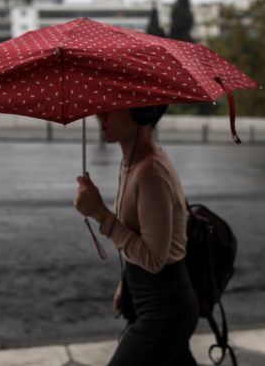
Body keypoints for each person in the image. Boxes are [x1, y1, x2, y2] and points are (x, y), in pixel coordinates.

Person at [74, 105, 199, 366]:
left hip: (165, 312)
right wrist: (126, 281)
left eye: (111, 107)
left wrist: (100, 213)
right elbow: (138, 232)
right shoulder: (132, 161)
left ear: (144, 113)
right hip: (150, 301)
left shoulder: (151, 175)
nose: (99, 114)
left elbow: (154, 259)